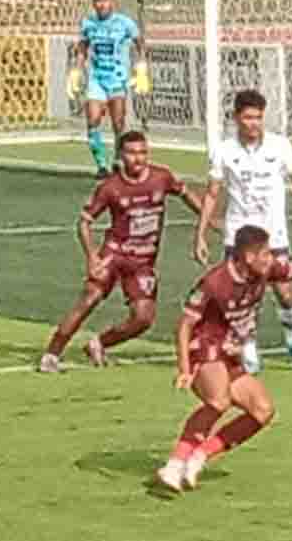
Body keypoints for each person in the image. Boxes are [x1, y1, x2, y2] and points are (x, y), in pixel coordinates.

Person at [156, 225, 292, 492]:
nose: (271, 259)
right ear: (249, 257)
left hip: (230, 353)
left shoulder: (265, 271)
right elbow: (184, 324)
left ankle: (199, 456)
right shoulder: (215, 282)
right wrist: (184, 368)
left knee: (262, 410)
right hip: (204, 348)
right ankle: (174, 464)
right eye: (265, 253)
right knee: (218, 401)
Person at [38, 131, 202, 373]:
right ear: (121, 155)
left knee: (143, 318)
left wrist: (206, 219)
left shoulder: (161, 177)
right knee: (89, 299)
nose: (139, 158)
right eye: (132, 153)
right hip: (114, 255)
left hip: (143, 262)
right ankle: (51, 355)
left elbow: (185, 194)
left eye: (143, 152)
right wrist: (92, 257)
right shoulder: (110, 188)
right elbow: (84, 222)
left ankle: (99, 343)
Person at [194, 89, 292, 373]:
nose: (254, 123)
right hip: (238, 236)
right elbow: (212, 193)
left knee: (285, 293)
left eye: (258, 117)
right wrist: (200, 233)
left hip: (274, 234)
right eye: (248, 117)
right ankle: (248, 349)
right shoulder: (224, 150)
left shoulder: (279, 146)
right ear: (236, 118)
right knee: (242, 296)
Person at [67, 0, 150, 178]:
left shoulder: (124, 23)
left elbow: (140, 43)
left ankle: (117, 160)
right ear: (93, 3)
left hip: (118, 79)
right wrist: (76, 70)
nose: (101, 4)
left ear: (111, 2)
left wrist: (141, 66)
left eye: (104, 0)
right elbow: (83, 48)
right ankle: (102, 165)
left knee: (118, 123)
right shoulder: (88, 23)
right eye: (97, 0)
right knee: (93, 119)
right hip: (97, 79)